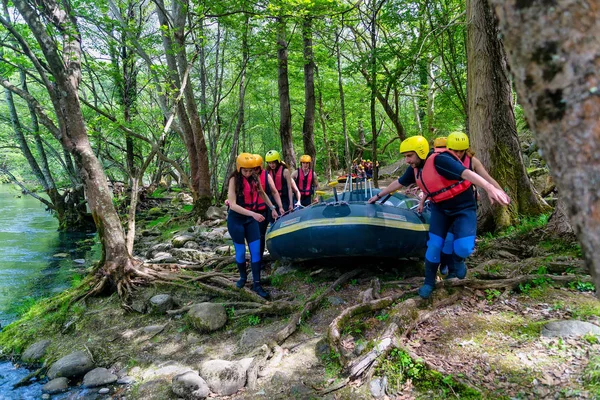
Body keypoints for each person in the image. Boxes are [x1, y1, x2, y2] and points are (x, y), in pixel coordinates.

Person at [367, 135, 510, 299]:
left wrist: (489, 187)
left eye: (409, 156)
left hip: (463, 207)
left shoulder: (440, 160)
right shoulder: (414, 169)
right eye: (405, 156)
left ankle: (457, 261)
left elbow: (466, 173)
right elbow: (398, 183)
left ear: (420, 152)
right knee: (434, 245)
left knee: (464, 247)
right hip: (440, 210)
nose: (407, 160)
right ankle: (429, 282)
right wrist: (378, 196)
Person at [226, 153, 278, 298]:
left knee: (256, 251)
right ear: (239, 168)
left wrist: (272, 208)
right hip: (236, 220)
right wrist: (253, 214)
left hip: (250, 221)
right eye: (245, 171)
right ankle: (243, 277)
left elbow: (262, 193)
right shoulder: (233, 180)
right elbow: (233, 205)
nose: (248, 173)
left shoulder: (255, 178)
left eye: (251, 170)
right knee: (241, 252)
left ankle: (257, 283)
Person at [252, 153, 285, 269]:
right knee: (257, 237)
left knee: (271, 232)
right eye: (252, 168)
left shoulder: (266, 175)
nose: (254, 171)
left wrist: (279, 207)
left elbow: (274, 192)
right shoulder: (246, 177)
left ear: (260, 167)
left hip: (267, 209)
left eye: (256, 168)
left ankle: (279, 256)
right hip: (254, 211)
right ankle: (257, 260)